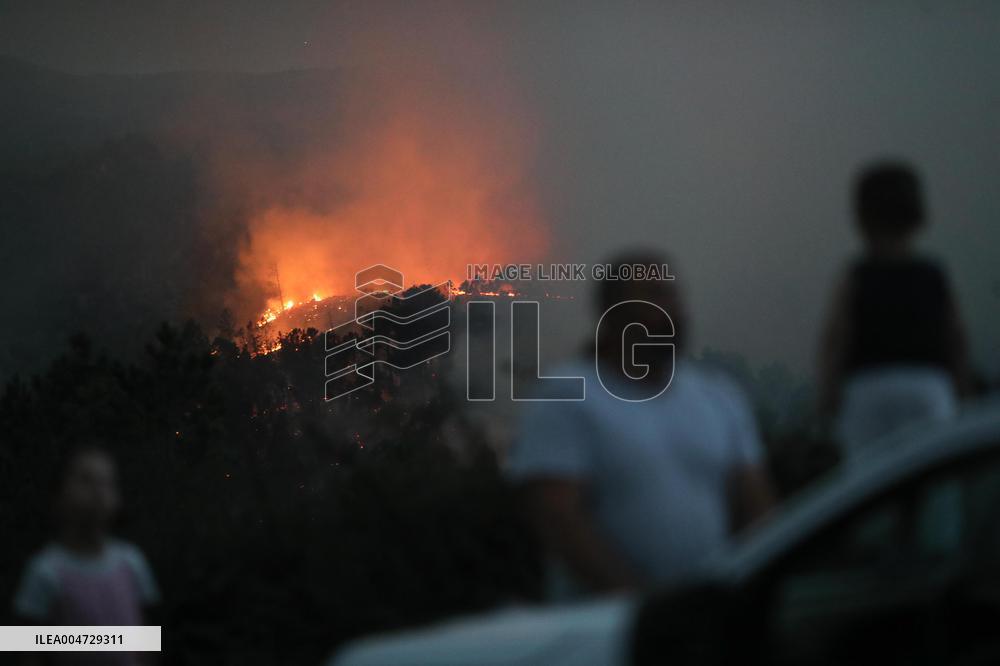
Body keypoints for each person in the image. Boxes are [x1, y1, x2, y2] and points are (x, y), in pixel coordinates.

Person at [507, 251, 774, 599]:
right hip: (605, 633)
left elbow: (756, 506)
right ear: (613, 314)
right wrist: (641, 607)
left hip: (709, 625)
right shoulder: (567, 395)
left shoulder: (718, 398)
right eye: (653, 296)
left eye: (672, 294)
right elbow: (558, 517)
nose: (670, 310)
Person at [818, 161, 971, 457]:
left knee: (868, 484)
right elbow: (956, 336)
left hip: (867, 390)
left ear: (861, 217)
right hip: (929, 388)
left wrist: (828, 393)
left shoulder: (856, 276)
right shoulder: (933, 275)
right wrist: (963, 392)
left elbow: (836, 335)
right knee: (935, 481)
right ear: (917, 216)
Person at [13, 446, 159, 665]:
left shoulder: (132, 563)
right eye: (86, 480)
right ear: (60, 494)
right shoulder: (44, 572)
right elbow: (25, 652)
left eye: (107, 482)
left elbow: (147, 644)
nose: (98, 491)